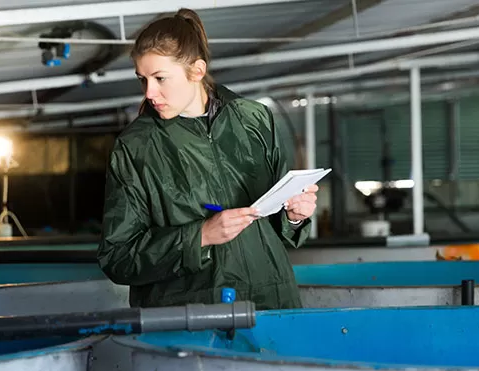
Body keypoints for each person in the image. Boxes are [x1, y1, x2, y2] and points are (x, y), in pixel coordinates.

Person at [97, 8, 319, 310]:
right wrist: (199, 236)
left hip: (272, 302)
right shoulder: (137, 146)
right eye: (143, 79)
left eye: (160, 78)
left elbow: (276, 228)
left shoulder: (253, 119)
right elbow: (118, 257)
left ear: (197, 71)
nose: (150, 92)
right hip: (191, 315)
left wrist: (295, 216)